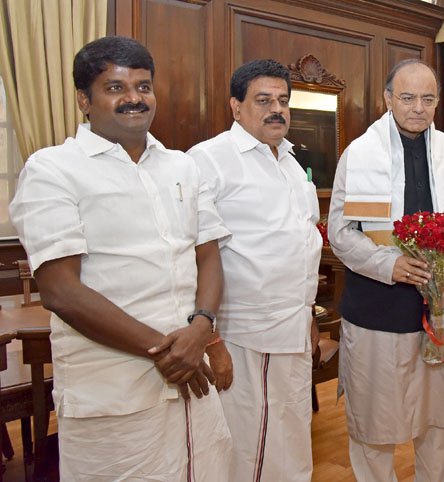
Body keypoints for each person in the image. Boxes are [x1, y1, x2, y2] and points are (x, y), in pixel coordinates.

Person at [9, 36, 232, 480]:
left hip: (192, 378)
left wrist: (201, 330)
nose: (134, 98)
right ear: (83, 101)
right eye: (115, 88)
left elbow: (207, 256)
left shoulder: (182, 166)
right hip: (114, 384)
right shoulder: (52, 169)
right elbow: (60, 291)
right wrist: (168, 352)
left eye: (143, 86)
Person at [327, 59, 444, 482]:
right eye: (408, 97)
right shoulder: (359, 154)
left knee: (436, 423)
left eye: (428, 98)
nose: (418, 107)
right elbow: (340, 232)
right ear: (388, 99)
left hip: (439, 309)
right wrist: (389, 264)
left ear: (438, 101)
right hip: (378, 307)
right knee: (375, 424)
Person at [187, 59, 322, 482]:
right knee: (247, 449)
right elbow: (191, 255)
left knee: (292, 439)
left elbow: (301, 244)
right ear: (235, 106)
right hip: (245, 334)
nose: (276, 109)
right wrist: (212, 340)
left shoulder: (290, 162)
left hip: (293, 329)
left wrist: (310, 318)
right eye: (263, 100)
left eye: (283, 100)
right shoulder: (209, 160)